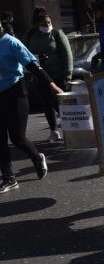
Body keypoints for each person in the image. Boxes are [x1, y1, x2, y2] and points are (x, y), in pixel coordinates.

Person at [0, 20, 61, 193]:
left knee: (17, 138)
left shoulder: (10, 42)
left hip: (15, 93)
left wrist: (51, 84)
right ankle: (8, 178)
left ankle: (37, 157)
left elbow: (32, 65)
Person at [23, 9, 73, 143]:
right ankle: (54, 131)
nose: (47, 26)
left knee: (60, 103)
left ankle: (71, 128)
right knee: (46, 103)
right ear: (37, 24)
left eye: (49, 23)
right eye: (44, 23)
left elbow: (67, 55)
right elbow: (25, 54)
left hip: (57, 75)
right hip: (39, 76)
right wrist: (28, 72)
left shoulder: (57, 34)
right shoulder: (30, 35)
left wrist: (68, 74)